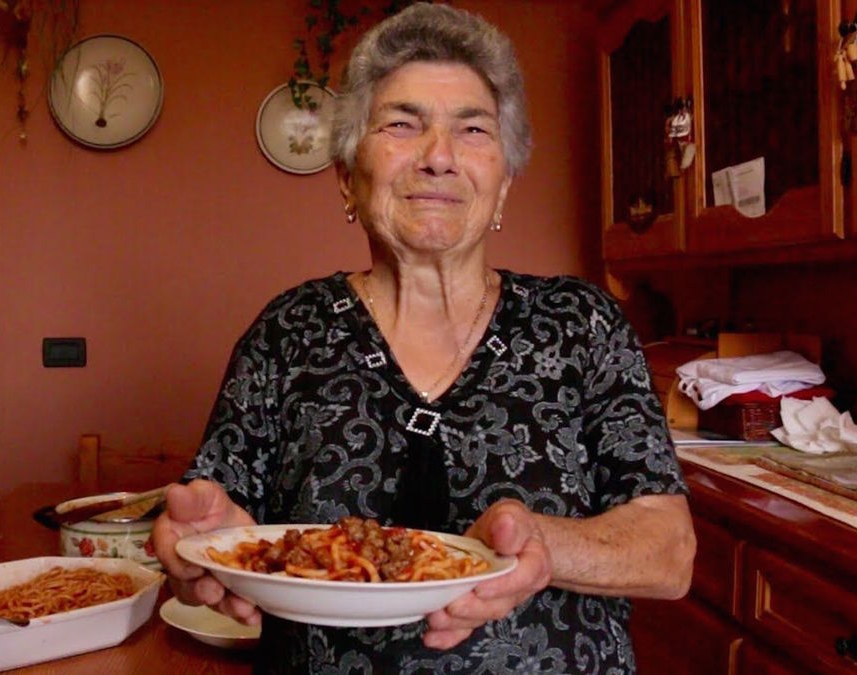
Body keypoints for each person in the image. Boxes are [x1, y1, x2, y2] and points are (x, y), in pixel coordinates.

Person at [153, 3, 695, 672]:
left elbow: (670, 549)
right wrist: (203, 547)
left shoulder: (581, 325)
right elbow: (217, 524)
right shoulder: (287, 333)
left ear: (502, 187)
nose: (439, 157)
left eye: (472, 129)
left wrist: (546, 544)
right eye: (403, 125)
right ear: (348, 176)